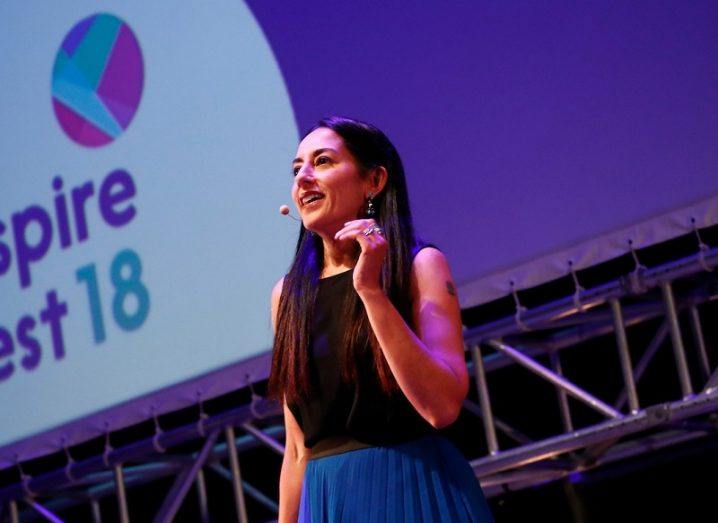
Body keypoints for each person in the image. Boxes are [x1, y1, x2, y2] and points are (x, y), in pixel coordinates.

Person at [268, 116, 494, 522]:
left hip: (411, 489)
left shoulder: (419, 265)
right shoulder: (288, 296)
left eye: (322, 162)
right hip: (327, 502)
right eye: (296, 168)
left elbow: (441, 407)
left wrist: (370, 290)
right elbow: (298, 448)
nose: (303, 177)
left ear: (373, 181)